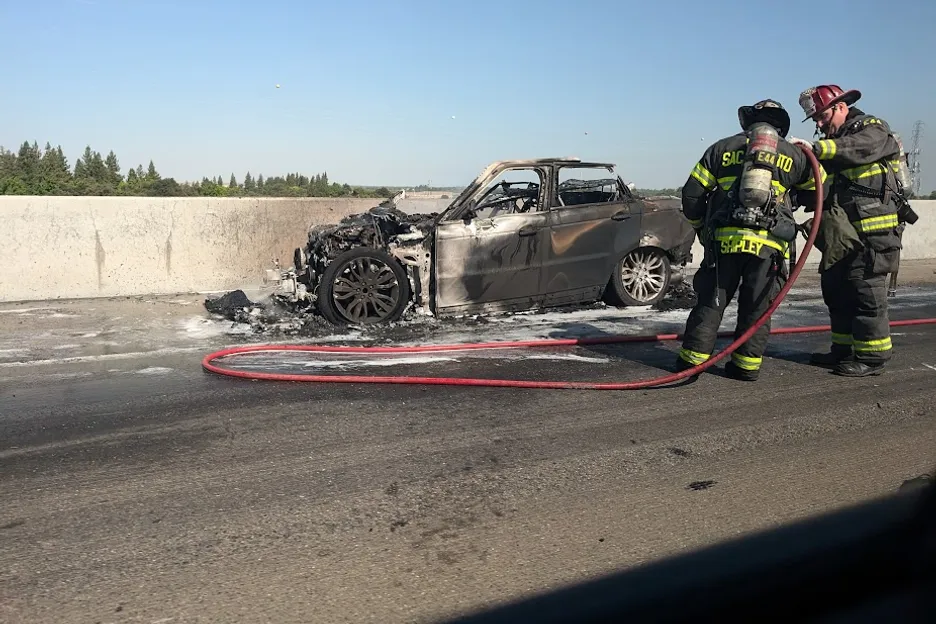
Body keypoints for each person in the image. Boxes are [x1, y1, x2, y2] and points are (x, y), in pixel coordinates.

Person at [675, 99, 828, 381]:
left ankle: (691, 363)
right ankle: (745, 366)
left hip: (724, 241)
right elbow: (820, 190)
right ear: (780, 124)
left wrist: (701, 228)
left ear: (748, 121)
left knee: (712, 301)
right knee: (757, 305)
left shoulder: (721, 148)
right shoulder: (795, 155)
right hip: (769, 246)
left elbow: (692, 193)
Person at [789, 85, 906, 377]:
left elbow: (860, 148)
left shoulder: (872, 129)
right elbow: (821, 186)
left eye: (821, 116)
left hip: (873, 233)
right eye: (814, 119)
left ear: (841, 106)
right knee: (836, 289)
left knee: (866, 292)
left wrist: (816, 149)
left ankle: (872, 356)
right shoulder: (834, 141)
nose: (818, 124)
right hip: (841, 233)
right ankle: (842, 351)